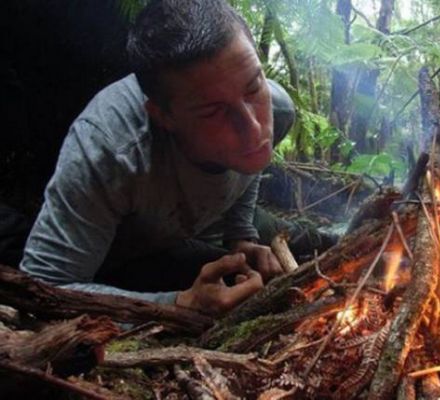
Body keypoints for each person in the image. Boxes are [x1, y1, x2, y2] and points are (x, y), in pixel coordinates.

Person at [20, 0, 296, 316]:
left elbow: (254, 162)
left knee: (302, 242)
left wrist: (240, 235)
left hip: (180, 232)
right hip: (110, 259)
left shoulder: (279, 110)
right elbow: (44, 285)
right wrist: (177, 305)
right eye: (212, 112)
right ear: (163, 116)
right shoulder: (111, 152)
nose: (253, 128)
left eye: (253, 88)